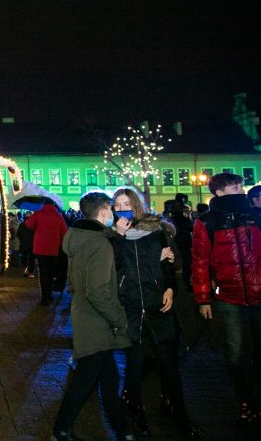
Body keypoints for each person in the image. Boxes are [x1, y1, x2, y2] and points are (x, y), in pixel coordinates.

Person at [111, 188, 196, 438]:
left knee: (168, 362)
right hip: (130, 305)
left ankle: (177, 409)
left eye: (127, 203)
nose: (122, 207)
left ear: (137, 205)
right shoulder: (112, 236)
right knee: (135, 363)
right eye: (117, 205)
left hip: (158, 303)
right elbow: (112, 269)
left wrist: (170, 287)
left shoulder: (156, 231)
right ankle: (136, 411)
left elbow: (169, 264)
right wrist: (118, 237)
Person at [50, 192, 134, 441]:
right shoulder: (99, 244)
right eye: (111, 208)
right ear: (103, 212)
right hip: (97, 320)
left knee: (107, 379)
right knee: (85, 381)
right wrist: (119, 319)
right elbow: (97, 291)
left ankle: (123, 430)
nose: (115, 213)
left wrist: (116, 235)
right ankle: (61, 430)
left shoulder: (79, 236)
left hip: (84, 315)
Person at [192, 172, 261, 424]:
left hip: (259, 293)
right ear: (218, 192)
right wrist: (203, 299)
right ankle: (247, 399)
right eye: (234, 186)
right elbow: (199, 262)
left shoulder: (255, 215)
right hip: (229, 298)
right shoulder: (206, 222)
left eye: (240, 185)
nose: (240, 189)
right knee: (236, 355)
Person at [25, 201, 68, 305]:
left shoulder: (39, 214)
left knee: (43, 272)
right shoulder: (58, 216)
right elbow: (64, 231)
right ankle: (50, 295)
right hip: (53, 249)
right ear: (53, 205)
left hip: (40, 249)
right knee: (51, 272)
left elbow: (28, 224)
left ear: (44, 205)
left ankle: (45, 298)